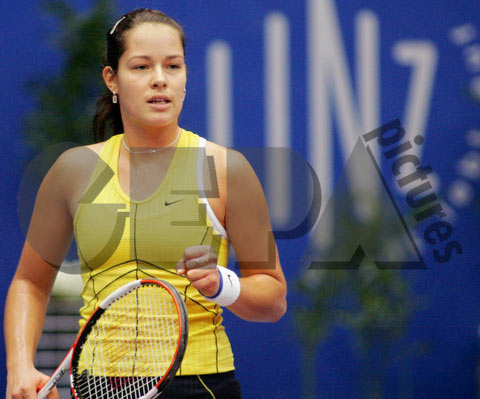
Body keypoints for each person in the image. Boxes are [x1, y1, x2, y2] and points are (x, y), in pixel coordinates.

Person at [5, 8, 287, 399]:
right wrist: (19, 365)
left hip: (200, 385)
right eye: (141, 67)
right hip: (95, 385)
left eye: (173, 66)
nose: (159, 80)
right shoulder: (73, 170)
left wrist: (223, 284)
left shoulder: (226, 169)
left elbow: (273, 300)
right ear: (112, 79)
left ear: (186, 76)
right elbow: (29, 282)